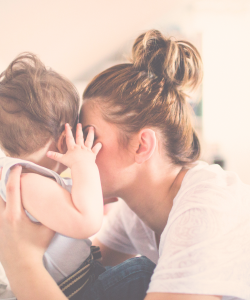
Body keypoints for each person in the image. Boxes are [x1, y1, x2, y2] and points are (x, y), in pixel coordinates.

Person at [1, 28, 250, 300]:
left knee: (142, 271)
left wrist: (21, 263)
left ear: (141, 146)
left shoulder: (205, 210)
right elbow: (86, 280)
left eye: (90, 136)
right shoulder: (135, 212)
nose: (76, 148)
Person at [0, 54, 155, 300]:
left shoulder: (23, 178)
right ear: (65, 140)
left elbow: (60, 208)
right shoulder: (26, 181)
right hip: (74, 290)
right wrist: (85, 165)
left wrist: (91, 193)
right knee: (142, 271)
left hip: (66, 285)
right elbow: (88, 223)